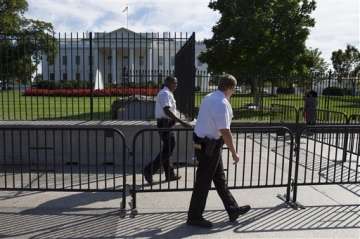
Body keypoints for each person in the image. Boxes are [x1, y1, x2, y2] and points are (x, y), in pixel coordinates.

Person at [187, 74, 251, 228]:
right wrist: (234, 152)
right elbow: (225, 131)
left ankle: (232, 209)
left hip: (204, 144)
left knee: (219, 179)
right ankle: (194, 217)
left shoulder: (209, 97)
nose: (234, 92)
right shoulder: (221, 102)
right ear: (230, 88)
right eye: (234, 89)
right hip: (209, 146)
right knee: (203, 182)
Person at [143, 76, 191, 184]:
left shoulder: (167, 93)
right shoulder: (165, 93)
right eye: (174, 83)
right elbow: (167, 110)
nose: (176, 85)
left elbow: (171, 110)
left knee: (167, 150)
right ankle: (149, 170)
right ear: (167, 83)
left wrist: (182, 117)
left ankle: (170, 174)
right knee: (168, 150)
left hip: (167, 124)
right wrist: (182, 122)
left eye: (176, 83)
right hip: (165, 124)